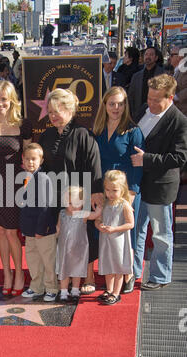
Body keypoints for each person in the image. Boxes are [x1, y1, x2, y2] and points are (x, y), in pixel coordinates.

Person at [38, 88, 103, 295]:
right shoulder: (46, 135)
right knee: (60, 239)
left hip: (78, 197)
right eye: (50, 112)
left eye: (58, 111)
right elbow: (40, 166)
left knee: (82, 238)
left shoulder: (84, 134)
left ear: (71, 110)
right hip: (53, 196)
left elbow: (95, 166)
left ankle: (89, 276)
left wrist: (94, 194)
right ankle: (61, 278)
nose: (53, 116)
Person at [131, 74, 187, 291]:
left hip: (160, 186)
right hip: (137, 183)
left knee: (161, 233)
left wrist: (146, 159)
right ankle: (133, 271)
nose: (151, 103)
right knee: (136, 229)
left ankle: (160, 276)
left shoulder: (179, 121)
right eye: (149, 98)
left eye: (157, 100)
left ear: (170, 98)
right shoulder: (143, 109)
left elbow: (180, 157)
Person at [0, 80, 32, 296]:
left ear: (12, 100)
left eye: (4, 99)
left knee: (11, 232)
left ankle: (19, 272)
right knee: (0, 230)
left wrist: (30, 184)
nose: (1, 103)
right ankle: (7, 273)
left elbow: (29, 156)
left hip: (15, 182)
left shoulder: (23, 124)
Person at [92, 86, 144, 294]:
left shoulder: (133, 131)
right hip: (104, 190)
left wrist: (131, 194)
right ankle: (112, 273)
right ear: (104, 104)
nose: (116, 108)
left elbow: (138, 165)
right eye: (112, 103)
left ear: (126, 105)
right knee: (106, 234)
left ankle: (128, 274)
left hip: (124, 193)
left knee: (125, 237)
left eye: (120, 104)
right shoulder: (98, 129)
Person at [20, 143, 58, 302]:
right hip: (29, 229)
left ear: (41, 160)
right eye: (27, 159)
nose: (30, 162)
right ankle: (36, 286)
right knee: (33, 258)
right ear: (22, 159)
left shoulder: (43, 178)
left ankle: (51, 288)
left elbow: (45, 206)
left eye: (34, 159)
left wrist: (41, 229)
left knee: (47, 259)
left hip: (43, 229)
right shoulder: (25, 177)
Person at [56, 186, 102, 302]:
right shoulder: (62, 213)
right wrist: (53, 237)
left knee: (77, 270)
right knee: (64, 269)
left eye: (77, 203)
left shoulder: (82, 214)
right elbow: (58, 228)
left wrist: (100, 207)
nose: (74, 206)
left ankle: (75, 290)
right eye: (70, 203)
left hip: (79, 248)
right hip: (64, 248)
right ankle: (63, 292)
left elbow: (95, 215)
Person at [96, 170, 134, 305]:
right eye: (108, 190)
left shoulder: (124, 205)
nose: (110, 194)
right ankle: (109, 289)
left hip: (119, 242)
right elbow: (97, 219)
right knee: (107, 265)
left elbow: (131, 224)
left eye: (114, 190)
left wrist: (114, 229)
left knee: (118, 267)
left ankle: (116, 293)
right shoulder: (105, 203)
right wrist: (99, 226)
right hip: (106, 241)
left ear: (122, 189)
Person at [128, 47, 164, 121]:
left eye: (151, 55)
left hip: (157, 115)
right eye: (146, 54)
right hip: (139, 115)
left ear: (156, 58)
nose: (148, 57)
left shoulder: (163, 75)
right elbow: (131, 97)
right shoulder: (136, 76)